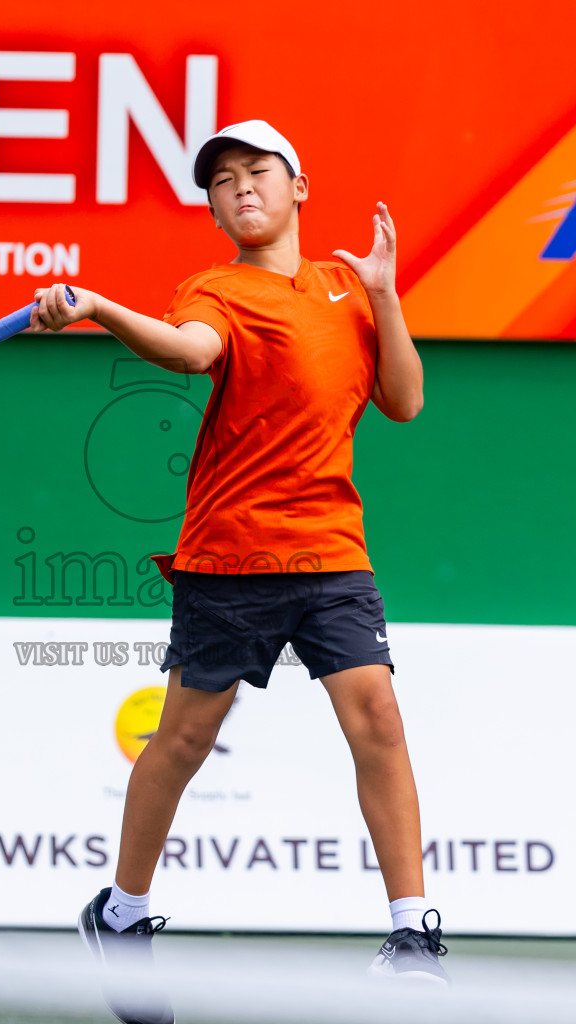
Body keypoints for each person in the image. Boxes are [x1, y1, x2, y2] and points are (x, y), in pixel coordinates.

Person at [28, 120, 445, 1023]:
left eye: (257, 171)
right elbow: (189, 351)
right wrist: (99, 304)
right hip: (233, 552)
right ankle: (123, 916)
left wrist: (386, 296)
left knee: (377, 717)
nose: (239, 187)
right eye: (221, 180)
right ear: (214, 207)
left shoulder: (345, 284)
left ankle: (413, 934)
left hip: (333, 546)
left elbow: (404, 402)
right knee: (180, 744)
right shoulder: (213, 290)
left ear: (300, 186)